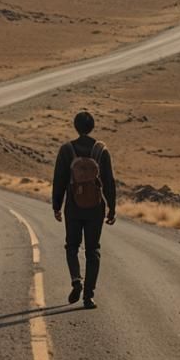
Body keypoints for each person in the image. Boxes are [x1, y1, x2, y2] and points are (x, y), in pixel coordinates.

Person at [52, 110, 116, 309]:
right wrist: (112, 208)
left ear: (75, 126)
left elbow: (59, 180)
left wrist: (56, 206)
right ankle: (89, 296)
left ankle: (76, 280)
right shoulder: (101, 150)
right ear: (92, 127)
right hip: (96, 208)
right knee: (93, 250)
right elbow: (109, 182)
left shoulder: (66, 150)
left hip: (73, 206)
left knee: (72, 246)